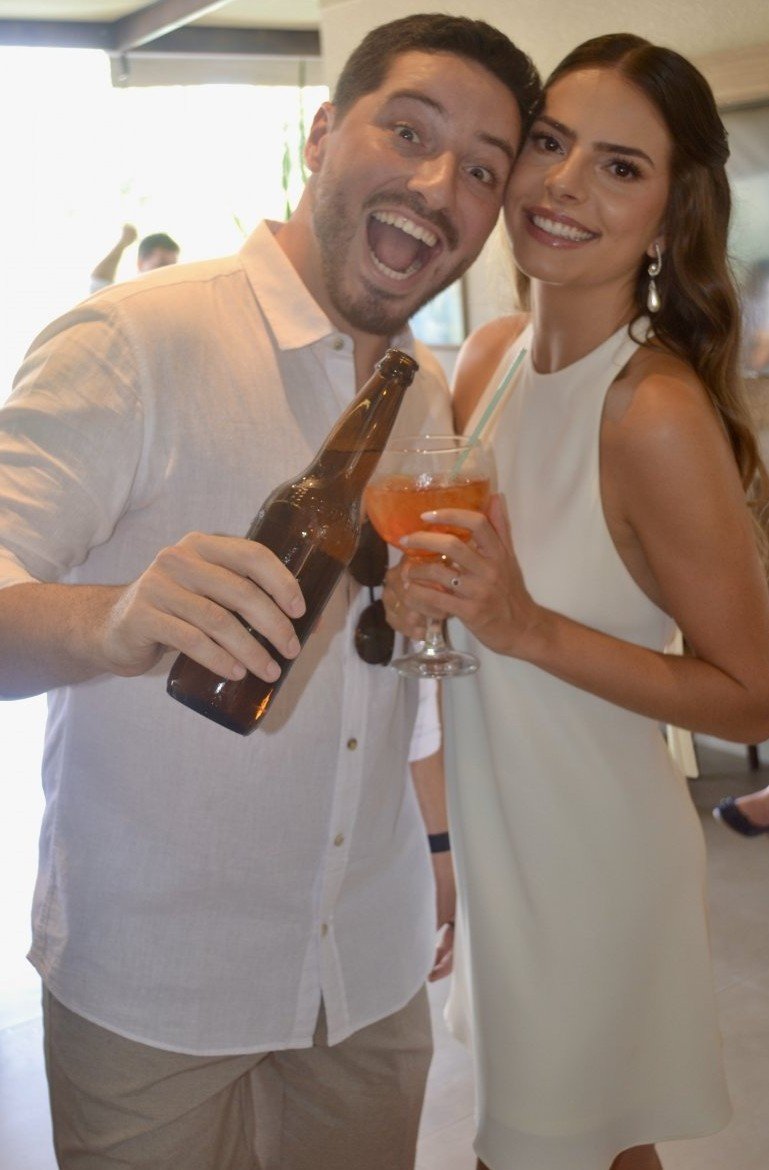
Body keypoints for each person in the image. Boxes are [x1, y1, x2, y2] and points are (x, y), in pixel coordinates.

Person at [0, 14, 539, 1170]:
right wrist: (111, 620)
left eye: (482, 169)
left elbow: (393, 673)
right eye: (409, 131)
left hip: (369, 971)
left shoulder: (422, 392)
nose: (437, 185)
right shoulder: (134, 340)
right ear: (321, 133)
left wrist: (438, 845)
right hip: (157, 983)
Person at [384, 32, 769, 1170]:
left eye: (619, 166)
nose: (562, 185)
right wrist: (425, 598)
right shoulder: (491, 358)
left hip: (590, 858)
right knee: (592, 1146)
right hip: (502, 839)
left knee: (538, 1148)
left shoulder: (652, 413)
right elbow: (469, 612)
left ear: (669, 213)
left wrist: (526, 626)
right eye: (550, 144)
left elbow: (752, 696)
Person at [89, 223, 180, 291]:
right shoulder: (126, 297)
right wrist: (123, 243)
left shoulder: (179, 298)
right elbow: (99, 282)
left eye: (173, 268)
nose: (168, 273)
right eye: (162, 265)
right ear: (140, 264)